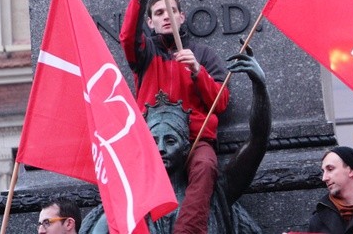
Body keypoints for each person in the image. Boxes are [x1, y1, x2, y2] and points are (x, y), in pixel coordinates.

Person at [80, 49, 271, 234]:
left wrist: (260, 86)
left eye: (170, 140)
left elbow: (258, 140)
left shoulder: (216, 193)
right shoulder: (126, 204)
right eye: (154, 141)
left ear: (186, 147)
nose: (161, 148)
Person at [119, 0, 230, 234]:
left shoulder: (203, 55)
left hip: (194, 141)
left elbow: (222, 101)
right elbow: (126, 38)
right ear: (150, 21)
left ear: (182, 16)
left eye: (171, 11)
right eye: (158, 13)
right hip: (150, 140)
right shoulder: (145, 54)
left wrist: (197, 72)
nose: (165, 16)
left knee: (205, 166)